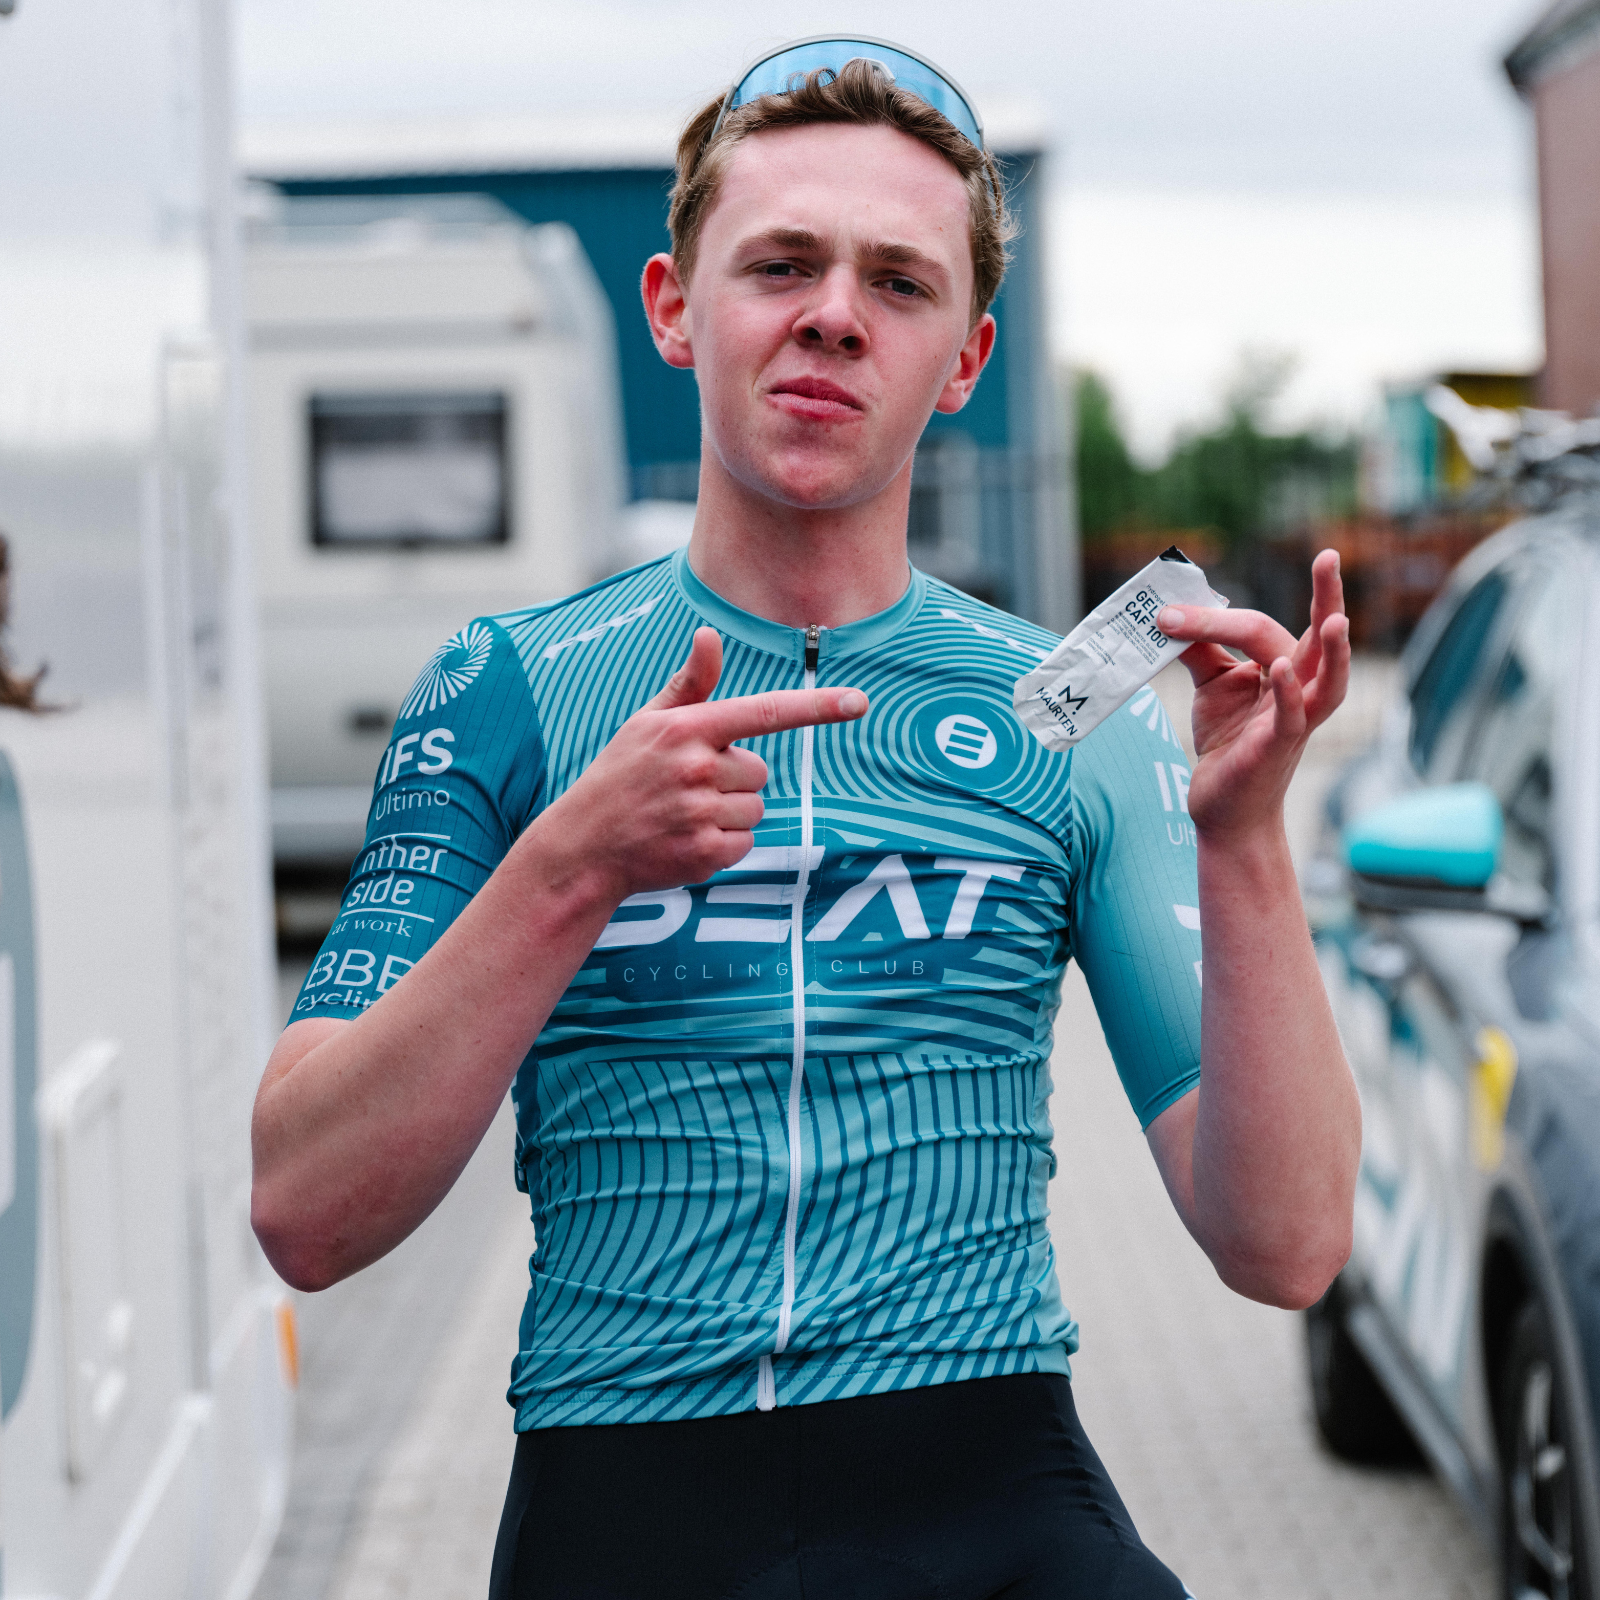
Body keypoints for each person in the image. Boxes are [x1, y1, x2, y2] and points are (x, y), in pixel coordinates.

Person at [251, 40, 1359, 1599]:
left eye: (899, 284)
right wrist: (574, 865)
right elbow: (304, 1214)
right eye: (781, 264)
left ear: (965, 360)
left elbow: (1286, 1247)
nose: (835, 313)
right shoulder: (507, 689)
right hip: (622, 1500)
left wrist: (1245, 847)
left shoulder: (1072, 721)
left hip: (989, 1487)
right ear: (673, 307)